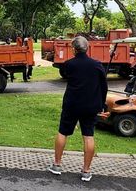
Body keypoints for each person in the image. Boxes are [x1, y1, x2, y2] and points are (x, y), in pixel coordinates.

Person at [47, 36, 108, 182]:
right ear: (87, 48)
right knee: (88, 135)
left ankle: (57, 165)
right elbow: (104, 87)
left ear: (74, 49)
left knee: (63, 132)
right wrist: (102, 105)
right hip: (91, 105)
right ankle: (86, 171)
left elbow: (68, 76)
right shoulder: (97, 65)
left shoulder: (69, 65)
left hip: (72, 104)